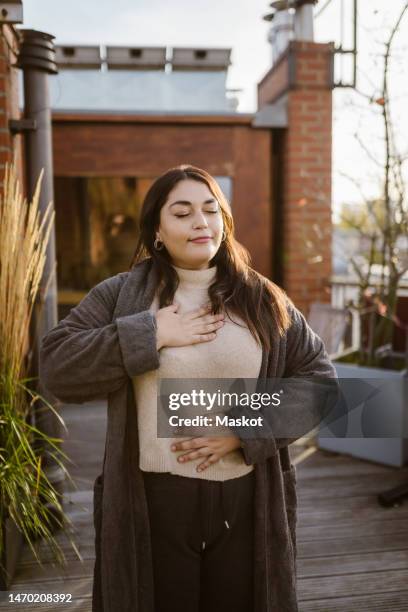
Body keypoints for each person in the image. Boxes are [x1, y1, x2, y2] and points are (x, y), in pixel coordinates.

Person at [39, 164, 338, 612]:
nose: (201, 222)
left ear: (225, 221)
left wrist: (244, 431)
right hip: (154, 500)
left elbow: (320, 383)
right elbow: (57, 366)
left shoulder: (264, 299)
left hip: (245, 499)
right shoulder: (122, 296)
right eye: (182, 213)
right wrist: (150, 333)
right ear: (157, 231)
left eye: (211, 210)